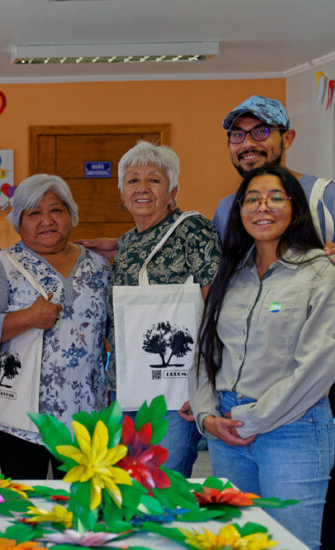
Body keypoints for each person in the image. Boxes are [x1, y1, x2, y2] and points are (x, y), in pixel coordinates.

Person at [212, 95, 335, 549]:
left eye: (261, 132)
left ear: (286, 138)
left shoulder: (329, 198)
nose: (248, 143)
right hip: (245, 386)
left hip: (315, 381)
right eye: (238, 135)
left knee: (322, 503)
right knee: (244, 528)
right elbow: (231, 289)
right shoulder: (225, 208)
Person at [0, 174, 110, 479]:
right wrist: (28, 318)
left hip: (88, 416)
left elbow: (115, 333)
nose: (47, 220)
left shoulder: (99, 266)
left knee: (85, 507)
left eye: (57, 210)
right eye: (34, 213)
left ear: (71, 216)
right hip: (22, 419)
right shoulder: (1, 265)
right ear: (18, 222)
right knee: (27, 507)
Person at [107, 141, 220, 477]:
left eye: (154, 180)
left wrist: (205, 381)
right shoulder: (126, 242)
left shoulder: (193, 229)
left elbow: (216, 306)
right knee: (129, 481)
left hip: (175, 388)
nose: (142, 188)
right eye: (132, 180)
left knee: (162, 483)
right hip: (128, 383)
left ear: (173, 191)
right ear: (121, 191)